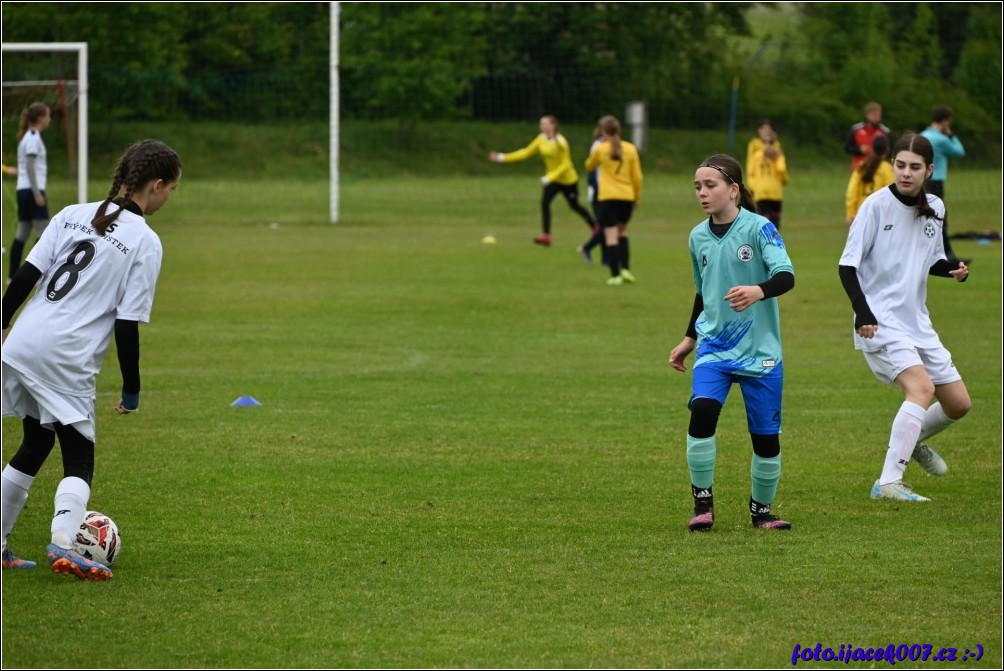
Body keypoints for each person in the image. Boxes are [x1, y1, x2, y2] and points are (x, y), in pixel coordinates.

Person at [1, 139, 182, 579]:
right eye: (172, 189)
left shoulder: (73, 213)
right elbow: (126, 324)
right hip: (67, 357)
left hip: (24, 341)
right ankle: (65, 544)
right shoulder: (145, 242)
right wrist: (132, 390)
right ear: (156, 185)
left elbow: (25, 275)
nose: (169, 198)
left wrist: (2, 323)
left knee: (36, 442)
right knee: (79, 458)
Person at [838, 133, 971, 502]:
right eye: (900, 165)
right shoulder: (875, 206)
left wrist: (954, 269)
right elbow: (847, 266)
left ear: (929, 170)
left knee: (958, 403)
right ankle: (888, 483)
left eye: (915, 167)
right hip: (879, 322)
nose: (906, 173)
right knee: (921, 389)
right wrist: (862, 312)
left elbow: (932, 259)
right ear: (892, 165)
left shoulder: (936, 206)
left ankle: (909, 440)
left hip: (917, 322)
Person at [668, 154, 795, 531]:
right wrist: (689, 338)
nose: (702, 193)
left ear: (734, 189)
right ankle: (702, 506)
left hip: (761, 351)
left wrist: (758, 290)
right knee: (702, 412)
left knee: (765, 440)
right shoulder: (697, 236)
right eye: (697, 187)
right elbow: (703, 292)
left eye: (710, 185)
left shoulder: (760, 228)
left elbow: (786, 276)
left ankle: (762, 513)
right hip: (715, 346)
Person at [489, 115, 597, 247]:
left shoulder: (560, 142)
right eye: (541, 124)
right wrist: (502, 158)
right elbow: (525, 152)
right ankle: (546, 235)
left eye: (545, 124)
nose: (542, 127)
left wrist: (549, 177)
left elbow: (566, 164)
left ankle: (594, 226)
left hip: (567, 180)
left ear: (553, 125)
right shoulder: (541, 139)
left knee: (574, 206)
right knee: (545, 203)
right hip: (552, 180)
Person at [584, 115, 643, 286]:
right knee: (623, 232)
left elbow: (589, 166)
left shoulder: (600, 149)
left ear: (603, 131)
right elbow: (637, 177)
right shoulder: (630, 149)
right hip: (626, 196)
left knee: (611, 237)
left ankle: (615, 275)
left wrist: (598, 148)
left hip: (607, 197)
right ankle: (626, 270)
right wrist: (636, 197)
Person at [8, 102, 52, 284]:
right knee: (45, 233)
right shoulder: (33, 137)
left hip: (23, 190)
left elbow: (26, 167)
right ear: (41, 118)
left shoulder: (29, 136)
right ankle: (35, 277)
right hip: (32, 190)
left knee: (22, 233)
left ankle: (12, 277)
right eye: (48, 115)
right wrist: (37, 193)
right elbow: (30, 166)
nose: (50, 119)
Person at [921, 105, 967, 264]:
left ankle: (942, 254)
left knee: (928, 215)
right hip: (936, 181)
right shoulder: (941, 139)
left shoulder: (923, 135)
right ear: (945, 121)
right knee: (940, 218)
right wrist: (951, 134)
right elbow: (960, 152)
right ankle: (947, 256)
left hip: (923, 179)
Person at [745, 119, 789, 229]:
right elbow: (781, 169)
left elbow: (751, 169)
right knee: (772, 225)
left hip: (765, 191)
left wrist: (753, 187)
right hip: (772, 191)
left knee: (764, 224)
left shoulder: (761, 155)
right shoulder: (755, 146)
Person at [845, 134, 894, 225]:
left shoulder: (862, 166)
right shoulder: (887, 168)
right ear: (887, 149)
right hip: (881, 213)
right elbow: (892, 192)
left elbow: (852, 190)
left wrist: (851, 212)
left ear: (872, 148)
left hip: (862, 211)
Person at [845, 102, 891, 172]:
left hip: (878, 169)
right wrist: (859, 149)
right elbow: (847, 148)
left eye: (878, 115)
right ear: (867, 115)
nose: (876, 118)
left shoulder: (885, 131)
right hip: (859, 168)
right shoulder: (856, 129)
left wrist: (879, 152)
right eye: (874, 115)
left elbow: (891, 150)